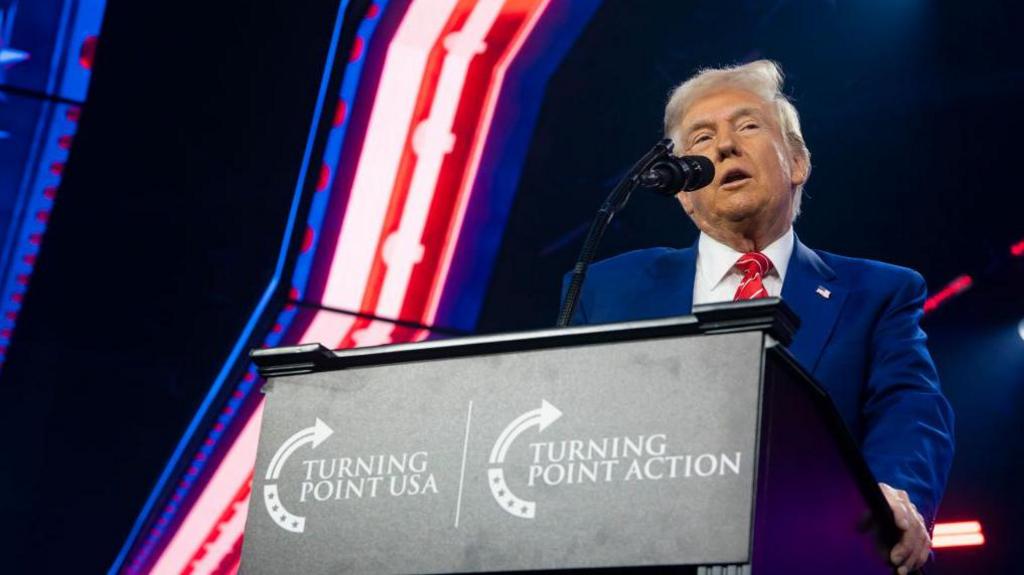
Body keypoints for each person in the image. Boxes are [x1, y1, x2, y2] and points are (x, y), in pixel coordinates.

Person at [563, 60, 953, 574]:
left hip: (812, 553)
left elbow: (911, 409)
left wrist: (890, 495)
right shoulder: (607, 289)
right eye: (700, 138)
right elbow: (572, 434)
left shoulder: (879, 291)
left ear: (796, 162)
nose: (723, 146)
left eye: (747, 126)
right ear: (682, 190)